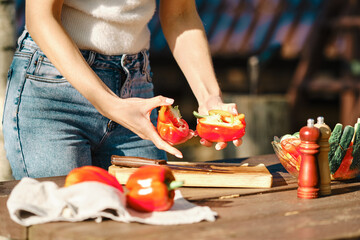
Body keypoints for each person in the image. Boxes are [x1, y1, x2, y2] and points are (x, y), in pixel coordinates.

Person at [2, 0, 242, 180]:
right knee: (67, 224)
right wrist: (111, 104)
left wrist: (210, 98)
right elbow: (41, 18)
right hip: (53, 94)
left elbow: (180, 14)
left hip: (135, 85)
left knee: (149, 225)